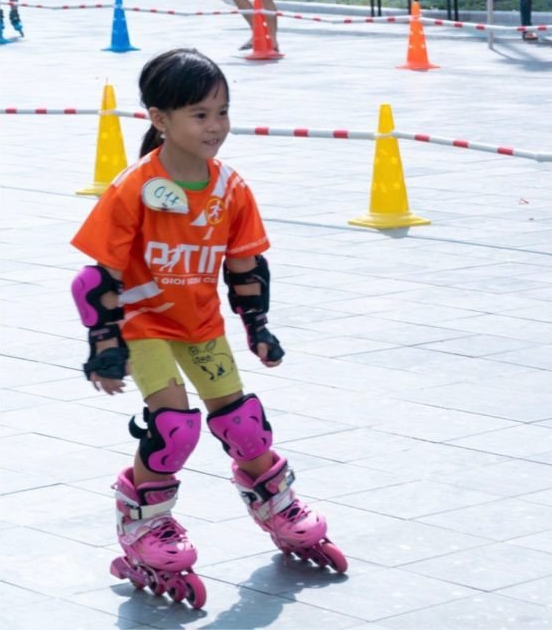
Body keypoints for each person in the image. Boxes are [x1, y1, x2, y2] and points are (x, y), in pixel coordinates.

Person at [70, 49, 346, 608]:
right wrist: (104, 344)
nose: (216, 126)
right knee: (175, 427)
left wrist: (258, 326)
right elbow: (95, 277)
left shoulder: (231, 189)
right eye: (200, 114)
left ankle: (278, 503)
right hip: (143, 321)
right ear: (159, 118)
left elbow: (245, 266)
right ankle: (144, 524)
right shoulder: (133, 188)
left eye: (222, 111)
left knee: (243, 425)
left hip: (199, 324)